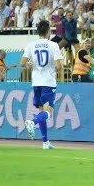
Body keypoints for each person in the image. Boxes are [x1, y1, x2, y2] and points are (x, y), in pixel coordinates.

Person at [21, 20, 64, 150]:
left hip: (36, 82)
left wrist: (29, 64)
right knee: (49, 112)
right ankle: (32, 122)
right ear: (48, 32)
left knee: (42, 112)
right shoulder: (53, 45)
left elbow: (23, 63)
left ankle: (45, 143)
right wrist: (60, 60)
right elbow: (59, 66)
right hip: (48, 82)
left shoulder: (31, 45)